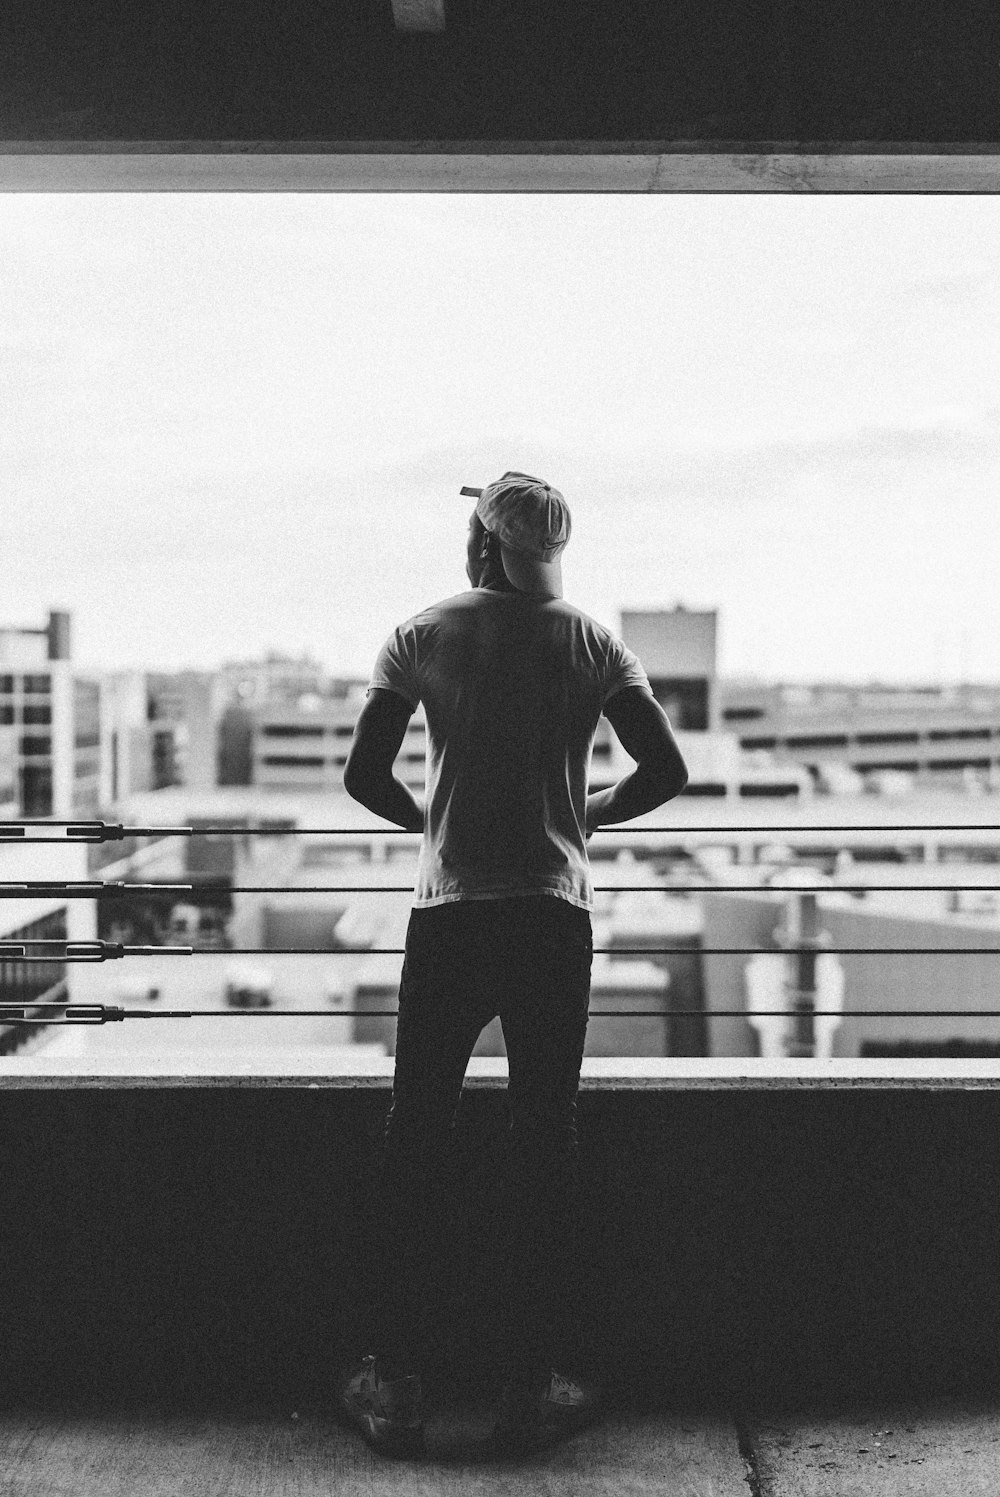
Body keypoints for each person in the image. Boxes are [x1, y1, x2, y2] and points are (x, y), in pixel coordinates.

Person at [336, 471, 688, 1456]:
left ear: (478, 544)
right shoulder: (591, 641)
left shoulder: (421, 634)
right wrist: (590, 815)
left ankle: (396, 1385)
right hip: (552, 918)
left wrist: (430, 823)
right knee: (546, 1144)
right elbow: (665, 771)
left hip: (450, 914)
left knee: (416, 1140)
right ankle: (530, 1391)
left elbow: (366, 774)